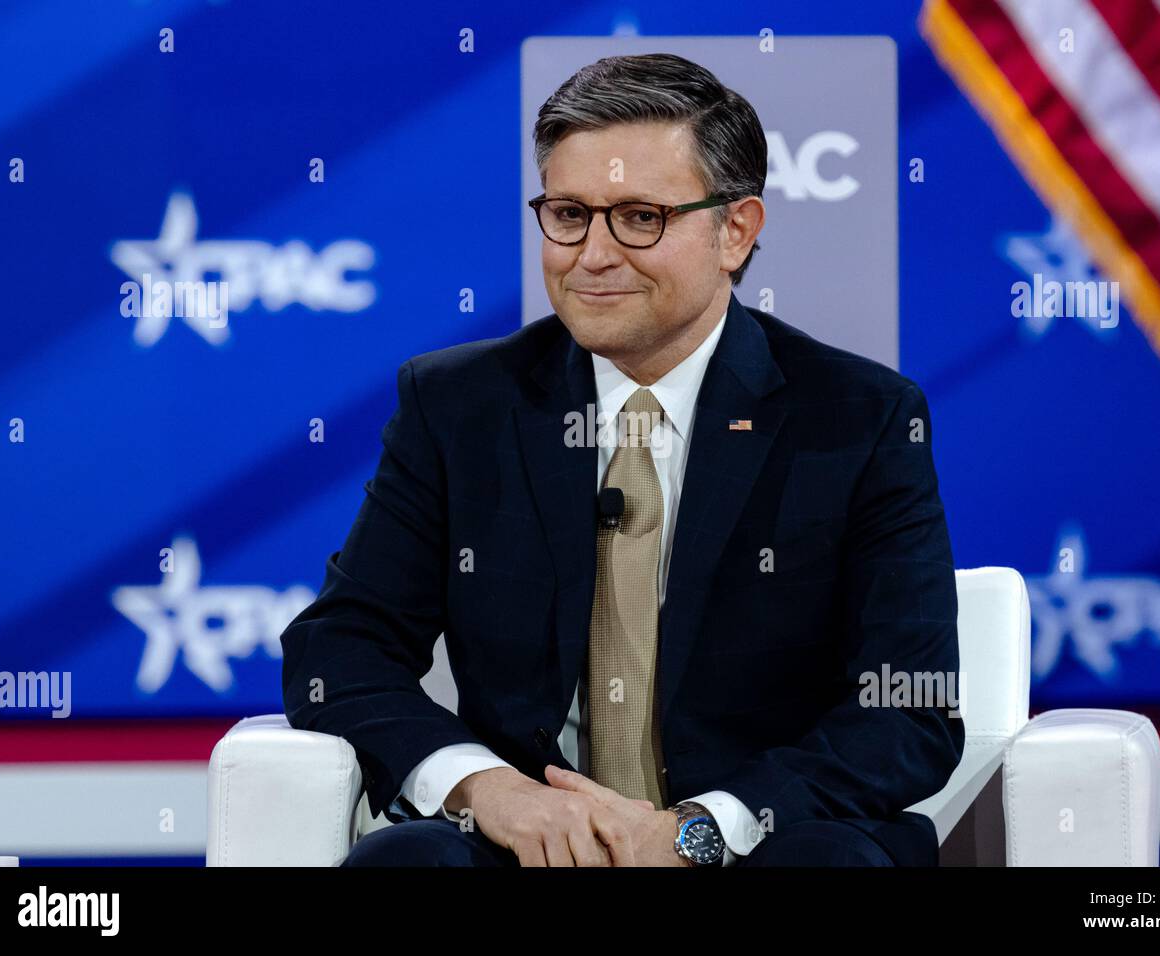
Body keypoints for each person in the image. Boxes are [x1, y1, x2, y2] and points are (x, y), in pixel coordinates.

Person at [281, 52, 964, 867]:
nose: (593, 255)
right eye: (569, 214)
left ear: (735, 231)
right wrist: (489, 791)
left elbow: (907, 711)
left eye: (639, 217)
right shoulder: (460, 405)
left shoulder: (858, 418)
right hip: (533, 842)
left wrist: (699, 829)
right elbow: (341, 651)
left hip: (762, 839)